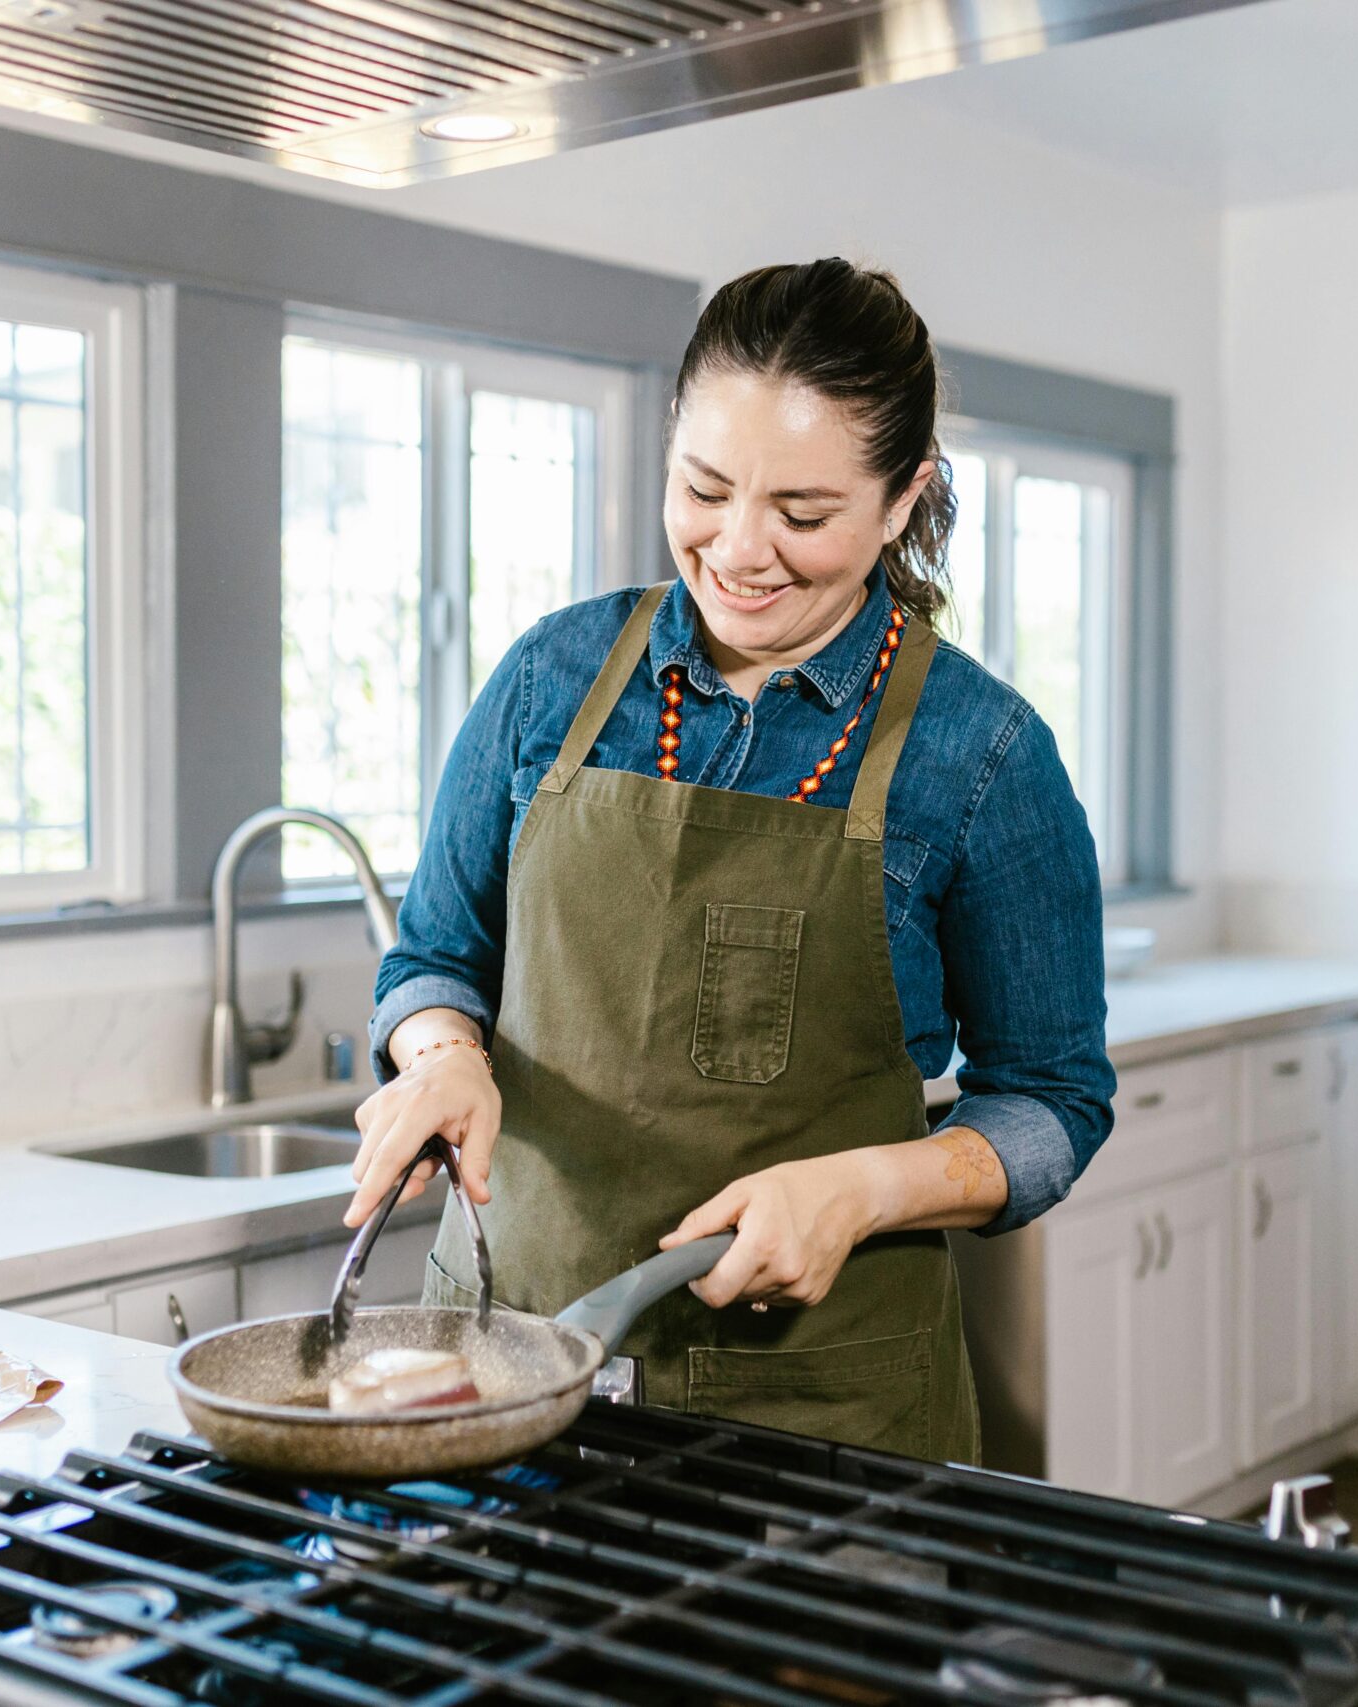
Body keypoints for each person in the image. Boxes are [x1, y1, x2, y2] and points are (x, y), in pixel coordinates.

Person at [346, 258, 1114, 1460]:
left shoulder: (983, 753)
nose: (741, 550)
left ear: (902, 498)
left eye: (803, 516)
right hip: (509, 1372)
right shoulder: (551, 678)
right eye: (705, 489)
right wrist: (441, 1058)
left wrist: (864, 1190)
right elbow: (436, 958)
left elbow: (1055, 1107)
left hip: (816, 1417)